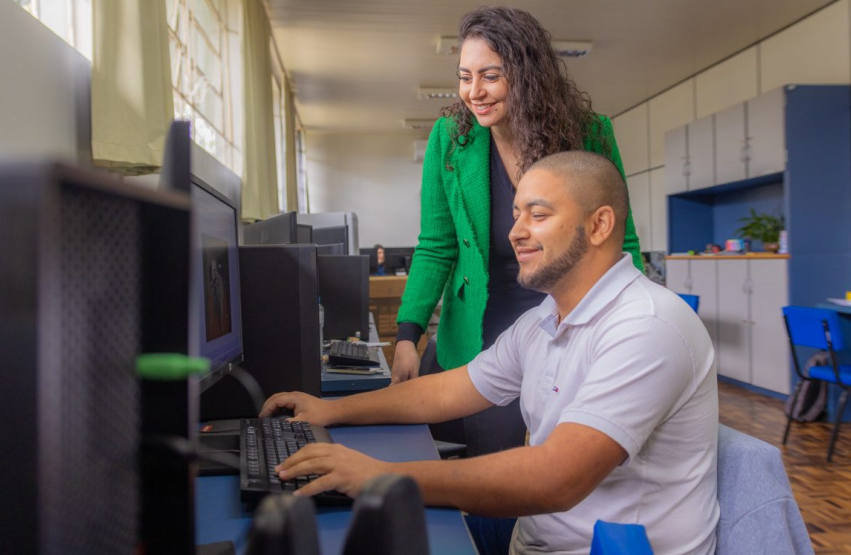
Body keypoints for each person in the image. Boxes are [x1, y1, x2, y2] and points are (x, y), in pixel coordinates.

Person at [260, 152, 719, 555]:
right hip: (536, 536)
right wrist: (330, 411)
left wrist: (380, 476)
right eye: (517, 214)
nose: (515, 232)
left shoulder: (646, 326)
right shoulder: (545, 319)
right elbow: (447, 391)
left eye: (537, 215)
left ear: (599, 225)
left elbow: (556, 478)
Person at [391, 6, 643, 460]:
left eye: (490, 75)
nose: (474, 92)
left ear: (526, 73)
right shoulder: (452, 138)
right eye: (465, 76)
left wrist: (633, 326)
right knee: (460, 445)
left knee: (528, 456)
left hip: (561, 315)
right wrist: (408, 336)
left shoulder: (589, 133)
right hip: (476, 323)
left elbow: (620, 239)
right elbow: (436, 245)